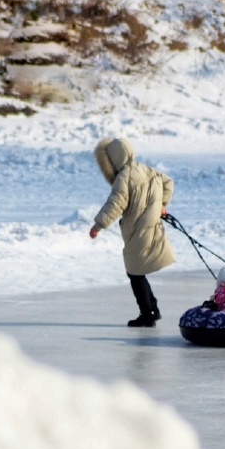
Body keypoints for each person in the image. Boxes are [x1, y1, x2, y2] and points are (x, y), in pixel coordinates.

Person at [89, 137, 174, 328]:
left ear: (113, 160)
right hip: (150, 226)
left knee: (135, 272)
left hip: (137, 229)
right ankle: (152, 309)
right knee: (137, 271)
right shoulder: (146, 169)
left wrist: (98, 225)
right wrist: (161, 204)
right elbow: (168, 183)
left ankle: (148, 313)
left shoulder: (124, 177)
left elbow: (116, 203)